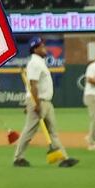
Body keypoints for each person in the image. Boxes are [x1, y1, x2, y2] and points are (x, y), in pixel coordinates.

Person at [12, 36, 77, 168]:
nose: (44, 48)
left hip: (46, 101)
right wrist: (36, 104)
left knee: (53, 132)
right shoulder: (34, 63)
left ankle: (63, 158)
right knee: (29, 131)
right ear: (35, 49)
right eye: (41, 46)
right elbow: (33, 85)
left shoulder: (40, 62)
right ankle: (18, 158)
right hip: (39, 101)